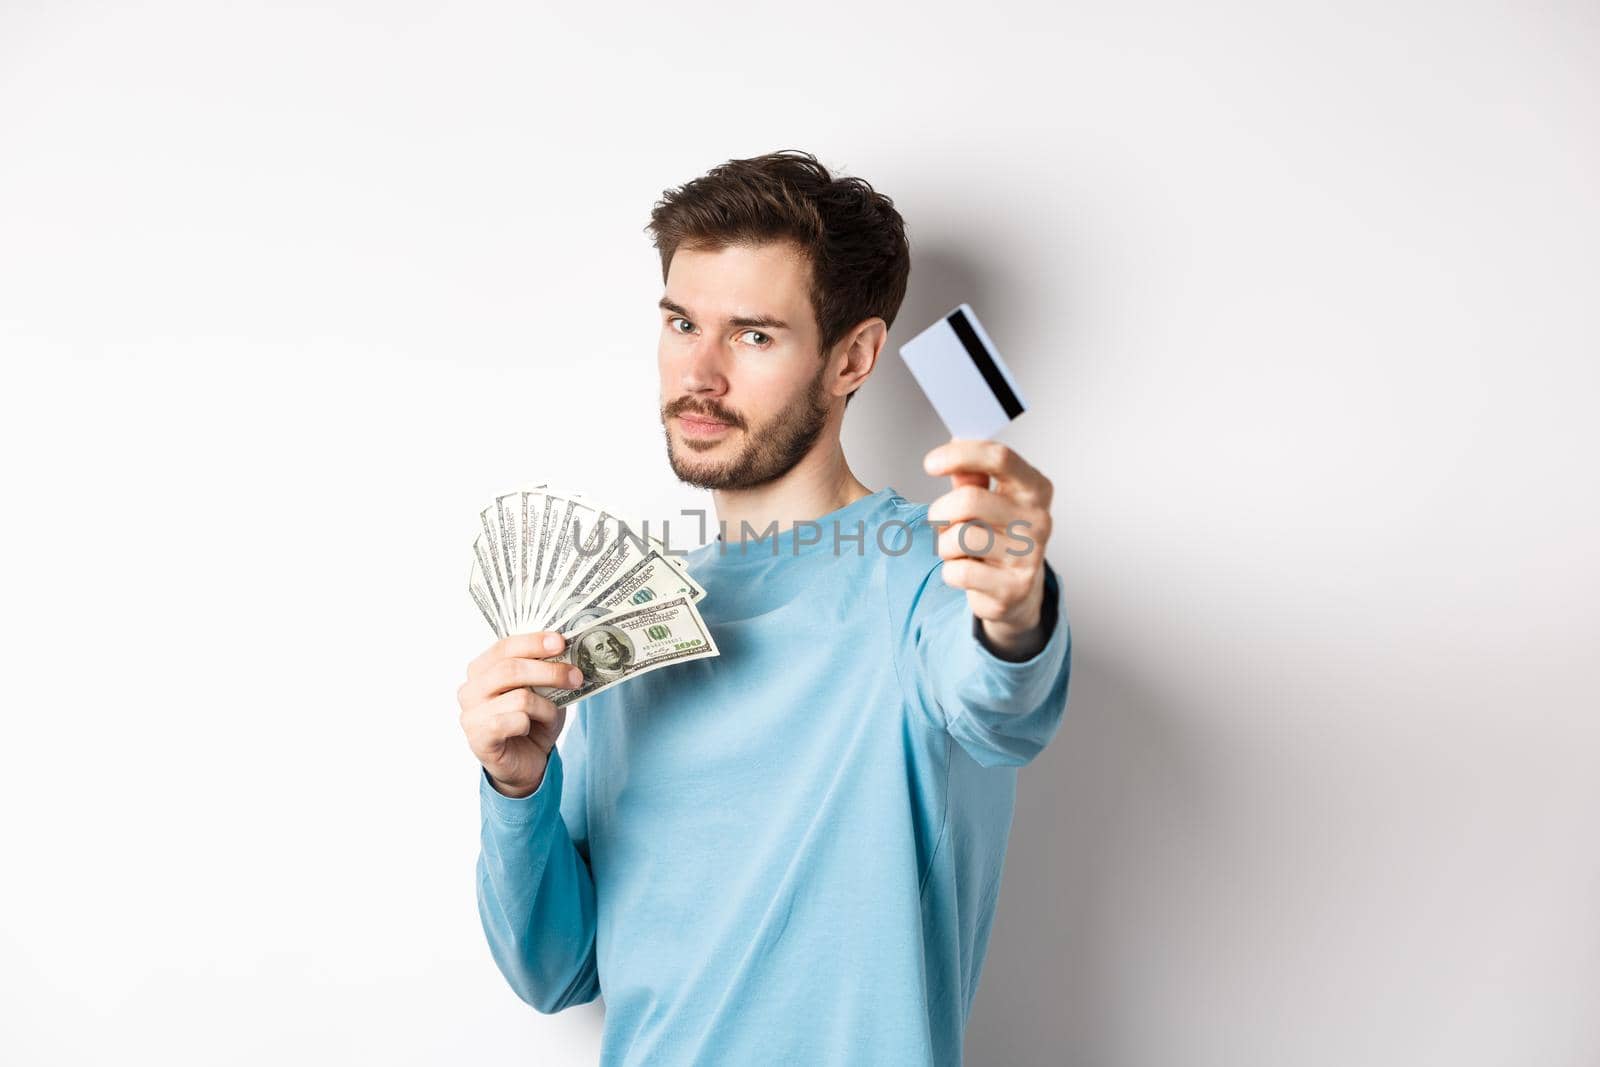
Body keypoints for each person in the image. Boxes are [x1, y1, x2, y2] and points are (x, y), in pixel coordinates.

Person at [456, 149, 1072, 1066]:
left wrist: (1018, 613)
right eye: (680, 322)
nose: (698, 373)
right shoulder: (628, 610)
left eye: (752, 335)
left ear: (852, 357)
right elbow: (557, 970)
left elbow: (1000, 699)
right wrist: (516, 787)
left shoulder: (931, 573)